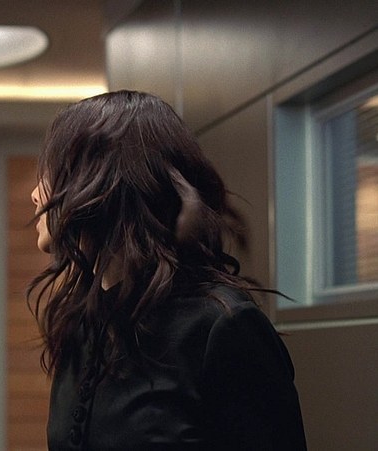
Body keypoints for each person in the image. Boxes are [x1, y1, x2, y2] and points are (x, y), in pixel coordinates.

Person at [28, 90, 306, 450]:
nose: (36, 194)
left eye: (52, 172)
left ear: (104, 181)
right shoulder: (82, 322)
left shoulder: (221, 327)